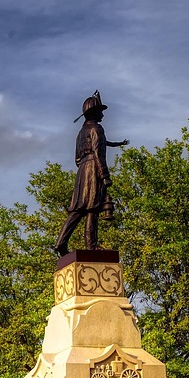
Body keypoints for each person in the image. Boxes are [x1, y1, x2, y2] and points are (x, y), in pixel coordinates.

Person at [53, 91, 129, 256]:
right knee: (92, 208)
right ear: (94, 112)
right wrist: (104, 175)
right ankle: (91, 245)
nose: (102, 114)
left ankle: (61, 242)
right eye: (100, 111)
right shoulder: (97, 128)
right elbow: (98, 152)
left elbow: (77, 159)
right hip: (94, 169)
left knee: (79, 210)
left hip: (82, 171)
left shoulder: (81, 133)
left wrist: (84, 170)